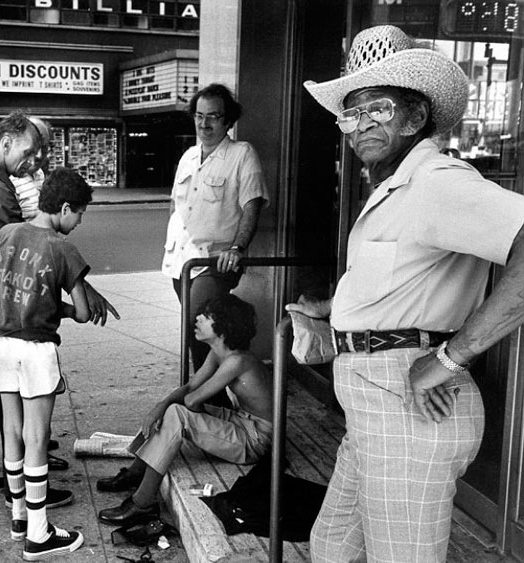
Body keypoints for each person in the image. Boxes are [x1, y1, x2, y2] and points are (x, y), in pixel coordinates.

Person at [290, 25, 524, 562]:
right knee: (331, 548)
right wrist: (334, 308)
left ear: (416, 117)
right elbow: (407, 276)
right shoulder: (398, 189)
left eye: (379, 107)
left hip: (409, 412)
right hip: (377, 411)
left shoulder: (436, 182)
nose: (362, 123)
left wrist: (449, 357)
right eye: (351, 113)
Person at [0, 110, 119, 506]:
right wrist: (83, 291)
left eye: (39, 153)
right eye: (29, 151)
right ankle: (17, 485)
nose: (34, 160)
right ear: (6, 142)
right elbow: (34, 247)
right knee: (13, 397)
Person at [0, 166, 93, 561]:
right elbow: (85, 314)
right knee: (38, 436)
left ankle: (20, 515)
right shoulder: (63, 249)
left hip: (1, 344)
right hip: (38, 350)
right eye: (80, 214)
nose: (80, 221)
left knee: (14, 433)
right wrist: (64, 308)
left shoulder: (6, 234)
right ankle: (39, 535)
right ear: (65, 208)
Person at [96, 294, 272, 527]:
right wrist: (159, 407)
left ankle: (142, 504)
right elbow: (190, 387)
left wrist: (172, 411)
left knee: (176, 415)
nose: (197, 318)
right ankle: (136, 472)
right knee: (170, 409)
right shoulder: (219, 353)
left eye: (206, 316)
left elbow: (191, 401)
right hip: (241, 422)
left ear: (224, 326)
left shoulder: (237, 361)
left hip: (255, 439)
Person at [163, 83, 270, 383]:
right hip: (180, 261)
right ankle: (214, 396)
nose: (204, 123)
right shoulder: (187, 157)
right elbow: (176, 206)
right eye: (199, 116)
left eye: (213, 116)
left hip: (214, 261)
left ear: (228, 120)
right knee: (201, 332)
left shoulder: (241, 153)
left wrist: (237, 248)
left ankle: (213, 398)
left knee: (198, 327)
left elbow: (252, 204)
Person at [11, 117, 51, 220]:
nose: (39, 154)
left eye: (44, 147)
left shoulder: (39, 173)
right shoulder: (9, 178)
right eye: (35, 147)